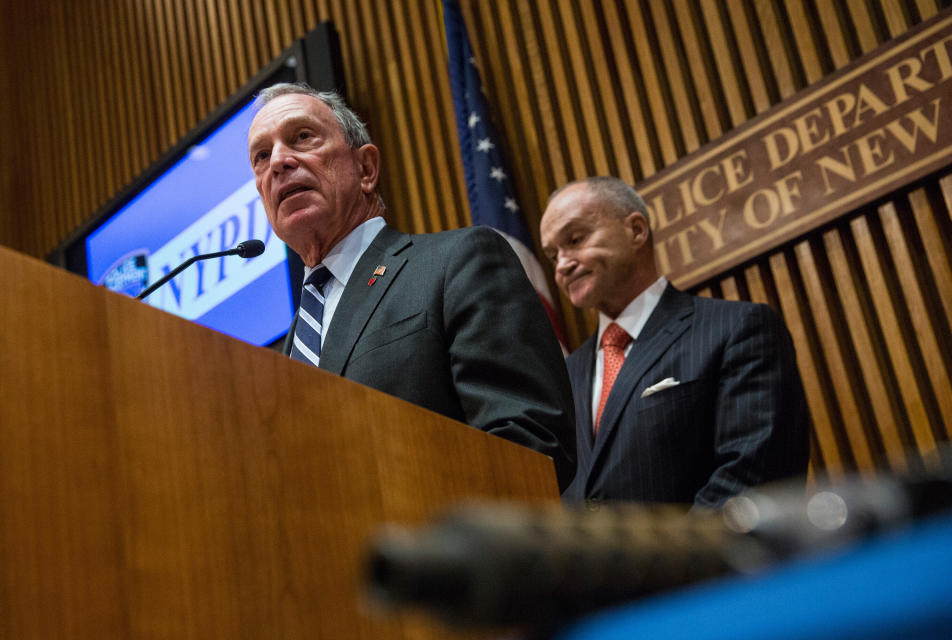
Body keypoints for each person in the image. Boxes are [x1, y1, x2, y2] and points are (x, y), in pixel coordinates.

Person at [247, 83, 576, 490]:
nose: (278, 161)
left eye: (302, 137)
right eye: (261, 156)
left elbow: (530, 444)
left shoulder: (458, 261)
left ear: (365, 169)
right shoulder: (293, 341)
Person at [539, 176, 809, 507]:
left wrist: (669, 560)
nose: (563, 265)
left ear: (636, 230)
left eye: (576, 239)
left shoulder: (736, 329)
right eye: (553, 256)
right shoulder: (565, 377)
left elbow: (753, 476)